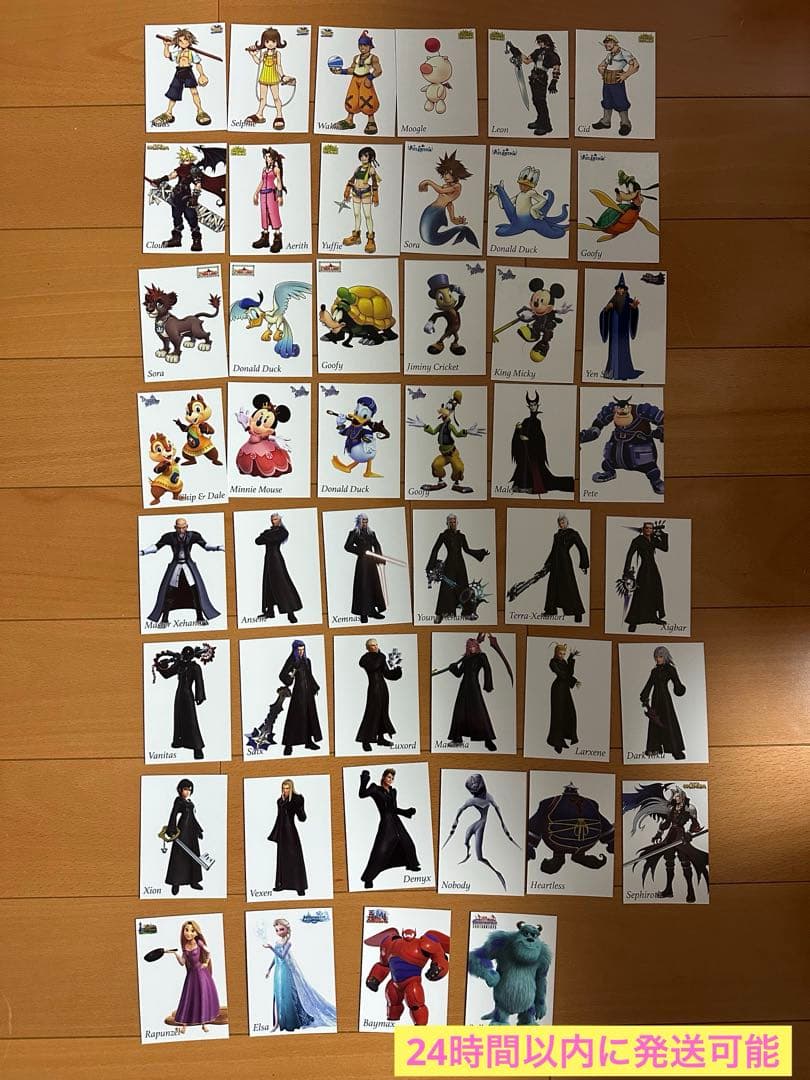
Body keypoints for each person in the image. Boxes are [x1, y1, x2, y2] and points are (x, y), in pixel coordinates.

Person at [140, 517, 223, 626]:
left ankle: (200, 617)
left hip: (188, 566)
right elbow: (157, 546)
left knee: (196, 591)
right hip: (176, 566)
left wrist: (218, 547)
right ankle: (164, 620)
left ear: (187, 527)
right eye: (179, 528)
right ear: (175, 527)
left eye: (183, 527)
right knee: (169, 592)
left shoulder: (193, 536)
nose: (181, 530)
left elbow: (205, 545)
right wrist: (143, 551)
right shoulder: (170, 537)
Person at [263, 918, 337, 1031]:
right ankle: (278, 1023)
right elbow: (276, 957)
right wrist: (269, 969)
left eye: (281, 929)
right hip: (277, 971)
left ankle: (291, 1022)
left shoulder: (288, 943)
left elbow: (282, 956)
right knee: (278, 994)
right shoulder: (277, 942)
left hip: (285, 971)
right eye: (277, 930)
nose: (279, 932)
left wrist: (271, 948)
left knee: (287, 994)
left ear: (287, 930)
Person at [359, 768, 421, 888]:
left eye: (392, 778)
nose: (390, 780)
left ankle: (412, 865)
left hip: (396, 820)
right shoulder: (375, 789)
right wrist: (364, 779)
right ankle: (368, 879)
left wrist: (406, 812)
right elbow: (362, 794)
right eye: (389, 777)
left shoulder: (393, 791)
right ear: (383, 777)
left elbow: (394, 808)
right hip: (386, 821)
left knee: (407, 842)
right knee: (381, 848)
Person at [426, 514, 489, 623]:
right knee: (446, 588)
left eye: (454, 522)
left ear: (457, 523)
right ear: (447, 523)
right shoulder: (443, 536)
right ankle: (440, 614)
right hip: (449, 564)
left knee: (464, 588)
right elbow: (435, 549)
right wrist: (430, 566)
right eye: (450, 522)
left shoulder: (461, 536)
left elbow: (467, 550)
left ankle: (467, 613)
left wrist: (481, 553)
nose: (452, 523)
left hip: (460, 565)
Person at [510, 392, 574, 495]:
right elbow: (520, 435)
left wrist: (528, 439)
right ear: (529, 407)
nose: (532, 407)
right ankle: (522, 486)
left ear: (537, 406)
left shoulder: (537, 422)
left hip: (533, 454)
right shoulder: (525, 421)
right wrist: (517, 430)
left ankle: (530, 487)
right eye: (531, 405)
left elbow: (539, 439)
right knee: (523, 467)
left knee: (536, 472)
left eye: (534, 405)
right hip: (525, 454)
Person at [153, 644, 209, 758]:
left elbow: (199, 682)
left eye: (186, 656)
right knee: (178, 717)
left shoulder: (195, 667)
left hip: (188, 695)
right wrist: (160, 667)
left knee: (191, 720)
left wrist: (199, 696)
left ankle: (197, 748)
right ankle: (179, 741)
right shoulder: (179, 664)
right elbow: (167, 674)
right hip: (179, 695)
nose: (184, 658)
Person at [418, 152, 479, 248]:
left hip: (437, 212)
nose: (445, 176)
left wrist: (428, 182)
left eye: (448, 173)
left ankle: (462, 231)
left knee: (429, 238)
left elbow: (441, 191)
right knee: (426, 237)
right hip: (430, 211)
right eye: (444, 173)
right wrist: (452, 218)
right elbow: (449, 203)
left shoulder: (457, 186)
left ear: (456, 173)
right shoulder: (446, 186)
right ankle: (461, 230)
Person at [169, 921, 221, 1033]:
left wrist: (206, 962)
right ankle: (184, 1025)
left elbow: (209, 952)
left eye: (192, 931)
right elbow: (182, 962)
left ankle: (204, 1023)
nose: (189, 933)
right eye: (186, 930)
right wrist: (175, 954)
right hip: (191, 975)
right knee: (189, 998)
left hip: (201, 974)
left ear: (196, 933)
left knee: (202, 996)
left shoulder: (199, 943)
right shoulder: (185, 947)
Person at [153, 28, 211, 128]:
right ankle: (168, 113)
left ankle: (200, 111)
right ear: (177, 42)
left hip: (188, 72)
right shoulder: (178, 53)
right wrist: (166, 45)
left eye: (185, 40)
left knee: (194, 92)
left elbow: (198, 64)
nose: (183, 42)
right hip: (179, 72)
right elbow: (167, 55)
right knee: (173, 94)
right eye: (180, 41)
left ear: (190, 41)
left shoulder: (192, 53)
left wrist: (202, 74)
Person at [447, 638, 497, 751]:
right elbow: (459, 674)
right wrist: (453, 668)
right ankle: (457, 739)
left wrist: (488, 685)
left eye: (473, 646)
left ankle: (488, 740)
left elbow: (487, 669)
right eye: (470, 647)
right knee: (460, 712)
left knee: (479, 712)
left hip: (474, 687)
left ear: (477, 646)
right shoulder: (466, 658)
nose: (472, 648)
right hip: (464, 687)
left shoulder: (481, 656)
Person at [330, 31, 382, 135]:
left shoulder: (373, 58)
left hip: (365, 79)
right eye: (360, 45)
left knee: (368, 99)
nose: (362, 47)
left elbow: (378, 70)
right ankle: (349, 120)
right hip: (355, 79)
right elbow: (352, 69)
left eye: (365, 45)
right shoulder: (356, 58)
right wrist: (340, 71)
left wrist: (370, 78)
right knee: (351, 99)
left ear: (370, 46)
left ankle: (371, 121)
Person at [640, 646, 687, 759]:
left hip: (665, 699)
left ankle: (675, 749)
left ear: (665, 657)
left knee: (668, 721)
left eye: (660, 656)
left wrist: (680, 689)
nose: (658, 659)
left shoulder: (670, 669)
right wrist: (644, 696)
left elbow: (677, 683)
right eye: (656, 657)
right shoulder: (654, 671)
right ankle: (654, 748)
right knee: (655, 722)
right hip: (655, 698)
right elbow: (649, 684)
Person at [356, 639, 402, 751]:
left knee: (383, 713)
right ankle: (365, 740)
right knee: (371, 714)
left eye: (376, 645)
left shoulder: (381, 657)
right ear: (367, 647)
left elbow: (386, 673)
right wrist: (381, 657)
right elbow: (373, 666)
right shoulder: (365, 659)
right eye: (372, 645)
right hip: (373, 690)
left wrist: (397, 672)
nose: (375, 647)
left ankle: (381, 738)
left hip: (383, 689)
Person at [621, 521, 668, 632]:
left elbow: (665, 548)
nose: (648, 530)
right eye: (646, 528)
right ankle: (633, 622)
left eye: (650, 528)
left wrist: (663, 534)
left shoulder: (654, 539)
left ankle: (654, 617)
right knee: (640, 594)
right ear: (643, 529)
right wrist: (626, 572)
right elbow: (629, 555)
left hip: (654, 569)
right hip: (644, 570)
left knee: (655, 591)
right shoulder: (637, 540)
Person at [254, 513, 302, 622]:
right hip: (268, 560)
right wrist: (267, 536)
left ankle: (290, 613)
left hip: (276, 559)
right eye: (272, 519)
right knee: (268, 584)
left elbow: (273, 538)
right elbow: (258, 541)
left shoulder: (283, 531)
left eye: (275, 519)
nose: (273, 521)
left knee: (282, 584)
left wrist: (266, 536)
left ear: (280, 519)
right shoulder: (270, 531)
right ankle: (270, 611)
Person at [278, 641, 322, 756]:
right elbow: (283, 676)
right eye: (299, 650)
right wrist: (292, 672)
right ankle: (288, 745)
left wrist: (315, 687)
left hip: (308, 694)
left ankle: (308, 741)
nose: (301, 652)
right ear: (294, 650)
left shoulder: (307, 661)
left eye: (303, 649)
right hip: (298, 693)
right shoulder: (292, 661)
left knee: (309, 717)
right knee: (294, 718)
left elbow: (309, 675)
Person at [245, 27, 295, 129]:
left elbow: (279, 66)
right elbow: (259, 62)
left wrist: (283, 76)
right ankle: (259, 114)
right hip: (264, 77)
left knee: (276, 97)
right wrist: (253, 55)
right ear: (264, 42)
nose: (270, 44)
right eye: (267, 41)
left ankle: (279, 115)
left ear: (277, 42)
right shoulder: (264, 53)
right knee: (262, 98)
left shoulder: (277, 54)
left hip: (273, 78)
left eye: (273, 41)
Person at [592, 34, 639, 136]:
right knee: (607, 101)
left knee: (620, 101)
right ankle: (606, 121)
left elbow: (635, 65)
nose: (606, 45)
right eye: (605, 43)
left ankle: (625, 123)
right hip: (607, 82)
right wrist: (601, 71)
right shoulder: (610, 55)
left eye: (609, 42)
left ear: (615, 42)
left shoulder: (624, 53)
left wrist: (625, 75)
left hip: (617, 82)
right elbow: (601, 65)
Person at [163, 779, 205, 895]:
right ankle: (175, 883)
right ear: (180, 789)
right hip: (182, 832)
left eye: (189, 790)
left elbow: (193, 818)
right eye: (185, 789)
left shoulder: (190, 803)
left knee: (193, 855)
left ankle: (194, 881)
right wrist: (171, 830)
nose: (187, 792)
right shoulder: (178, 800)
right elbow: (173, 814)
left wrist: (198, 830)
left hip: (191, 832)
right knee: (179, 856)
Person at [599, 273, 643, 380]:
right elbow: (603, 313)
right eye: (618, 289)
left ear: (625, 290)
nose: (620, 290)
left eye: (622, 289)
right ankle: (612, 372)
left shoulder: (629, 301)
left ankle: (624, 372)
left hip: (623, 331)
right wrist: (606, 309)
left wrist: (634, 308)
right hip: (614, 331)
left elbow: (634, 311)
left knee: (623, 350)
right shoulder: (613, 301)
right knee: (613, 350)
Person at [267, 780, 308, 894]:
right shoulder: (280, 801)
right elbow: (279, 817)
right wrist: (275, 834)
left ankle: (300, 888)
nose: (285, 790)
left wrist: (300, 806)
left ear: (291, 788)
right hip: (282, 832)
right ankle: (281, 884)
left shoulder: (296, 799)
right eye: (284, 788)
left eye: (287, 788)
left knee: (295, 858)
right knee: (282, 859)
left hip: (291, 832)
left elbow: (302, 818)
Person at [344, 514, 386, 623]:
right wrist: (360, 551)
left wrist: (379, 558)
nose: (365, 523)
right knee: (363, 587)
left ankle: (372, 611)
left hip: (371, 562)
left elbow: (377, 545)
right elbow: (347, 546)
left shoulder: (371, 533)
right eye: (363, 521)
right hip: (362, 564)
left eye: (366, 521)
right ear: (359, 521)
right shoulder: (354, 533)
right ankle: (363, 614)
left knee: (373, 586)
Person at [520, 34, 561, 136]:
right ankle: (540, 121)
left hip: (541, 78)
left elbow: (556, 67)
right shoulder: (537, 52)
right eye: (538, 42)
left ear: (546, 41)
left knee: (541, 101)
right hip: (534, 78)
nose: (539, 43)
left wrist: (554, 81)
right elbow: (526, 61)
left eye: (540, 41)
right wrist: (517, 52)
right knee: (536, 100)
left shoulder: (552, 54)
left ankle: (546, 125)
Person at [343, 146, 381, 254]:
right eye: (362, 156)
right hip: (355, 192)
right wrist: (347, 190)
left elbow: (374, 183)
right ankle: (356, 236)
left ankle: (370, 239)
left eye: (366, 156)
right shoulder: (358, 168)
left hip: (366, 194)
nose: (363, 158)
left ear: (370, 157)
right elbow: (352, 179)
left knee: (368, 216)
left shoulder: (371, 169)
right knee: (356, 214)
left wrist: (375, 195)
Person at [547, 643, 579, 754]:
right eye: (560, 653)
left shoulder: (564, 661)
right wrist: (574, 681)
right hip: (557, 690)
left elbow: (570, 673)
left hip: (565, 689)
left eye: (564, 654)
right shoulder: (553, 662)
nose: (562, 655)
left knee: (570, 712)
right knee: (558, 716)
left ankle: (566, 737)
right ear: (556, 653)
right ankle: (557, 743)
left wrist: (570, 659)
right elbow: (562, 675)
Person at [252, 147, 286, 252]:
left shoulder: (276, 170)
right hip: (263, 194)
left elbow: (279, 182)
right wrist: (256, 193)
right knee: (264, 215)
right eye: (266, 157)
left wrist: (280, 195)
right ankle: (265, 238)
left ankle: (277, 240)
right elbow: (262, 181)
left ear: (274, 158)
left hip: (271, 194)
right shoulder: (264, 169)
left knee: (273, 214)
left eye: (269, 157)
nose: (267, 159)